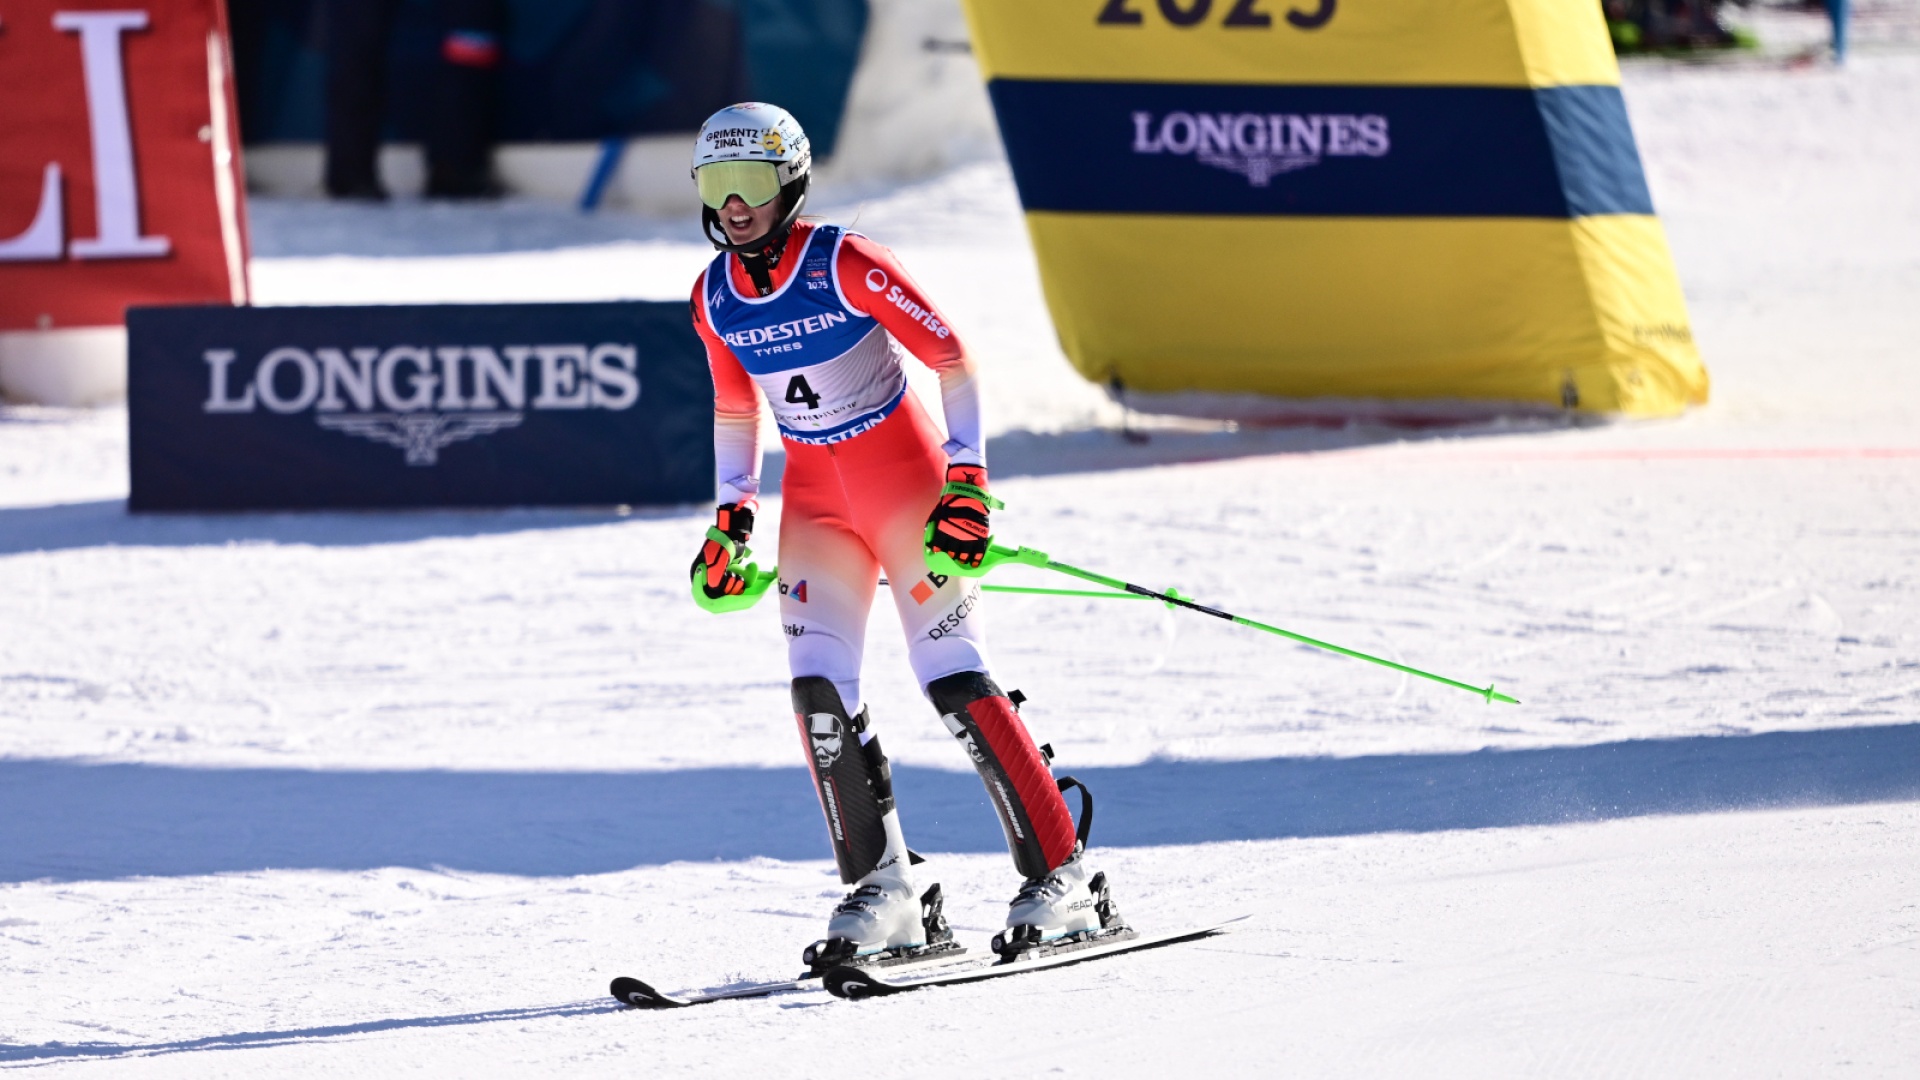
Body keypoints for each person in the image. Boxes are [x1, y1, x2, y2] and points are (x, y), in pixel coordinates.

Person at [685, 103, 1119, 969]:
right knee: (817, 694)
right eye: (715, 186)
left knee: (951, 677)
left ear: (792, 184)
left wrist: (968, 481)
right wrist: (732, 518)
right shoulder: (713, 296)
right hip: (815, 499)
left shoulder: (845, 261)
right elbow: (736, 407)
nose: (733, 207)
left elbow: (952, 356)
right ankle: (886, 891)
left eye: (751, 185)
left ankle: (1063, 878)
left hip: (906, 484)